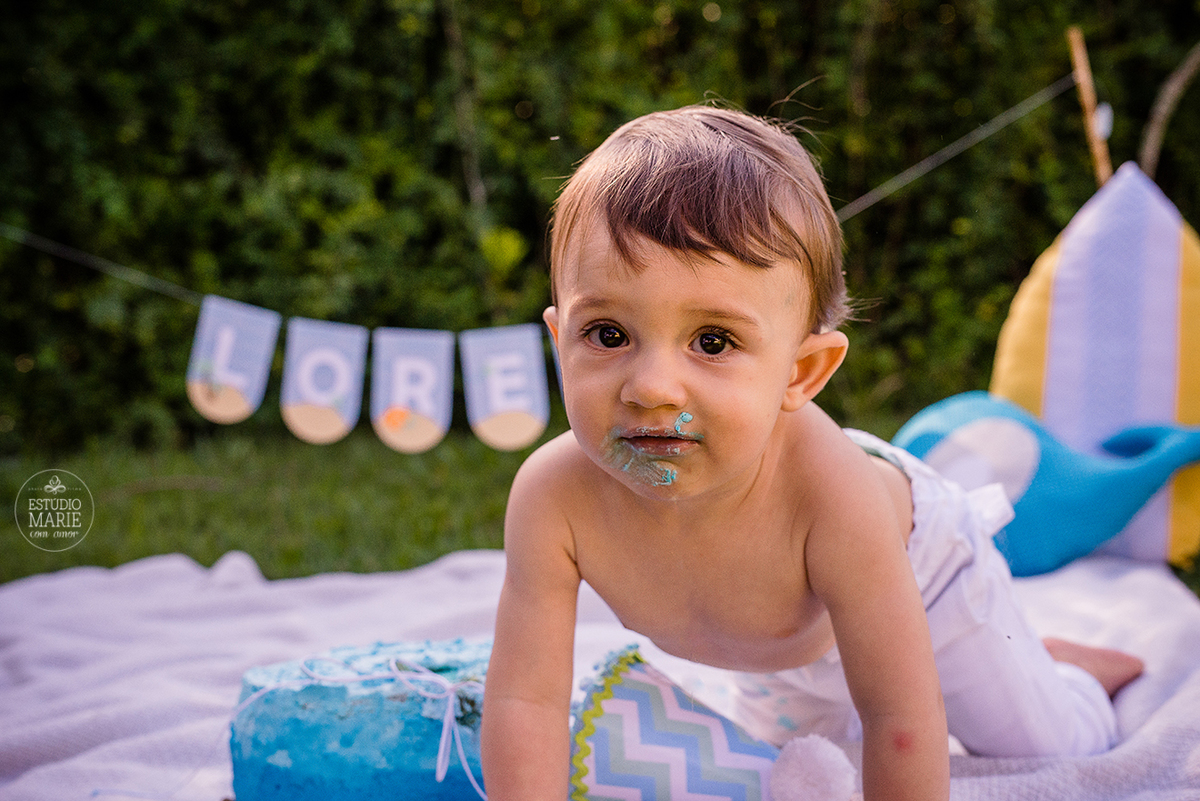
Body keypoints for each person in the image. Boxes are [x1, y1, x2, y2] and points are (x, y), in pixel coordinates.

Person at [480, 104, 1143, 801]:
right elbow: (526, 699)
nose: (649, 387)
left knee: (1040, 743)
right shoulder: (554, 500)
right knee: (799, 768)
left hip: (923, 585)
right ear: (560, 342)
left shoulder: (832, 497)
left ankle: (1062, 676)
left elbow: (903, 718)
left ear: (800, 374)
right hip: (778, 652)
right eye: (609, 334)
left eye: (712, 341)